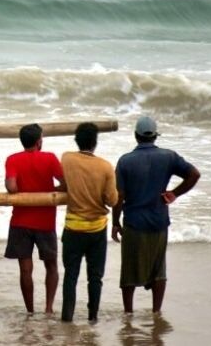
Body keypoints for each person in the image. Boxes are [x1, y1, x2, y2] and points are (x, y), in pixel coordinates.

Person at [112, 116, 201, 314]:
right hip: (159, 221)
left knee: (129, 270)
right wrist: (174, 193)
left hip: (134, 223)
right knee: (158, 269)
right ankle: (156, 311)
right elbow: (194, 174)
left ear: (136, 136)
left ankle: (128, 313)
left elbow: (119, 195)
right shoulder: (169, 157)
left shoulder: (125, 161)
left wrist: (115, 222)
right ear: (155, 136)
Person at [59, 122, 117, 323]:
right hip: (97, 229)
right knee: (95, 277)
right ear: (95, 142)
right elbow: (112, 200)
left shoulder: (66, 158)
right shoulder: (105, 166)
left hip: (73, 227)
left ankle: (67, 317)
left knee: (70, 276)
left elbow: (64, 183)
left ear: (76, 140)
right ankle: (93, 317)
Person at [3, 123, 64, 315]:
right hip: (45, 221)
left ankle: (30, 310)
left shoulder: (12, 159)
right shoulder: (50, 158)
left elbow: (12, 187)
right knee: (51, 265)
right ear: (39, 141)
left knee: (25, 269)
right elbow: (66, 183)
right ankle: (48, 308)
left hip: (20, 220)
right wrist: (51, 190)